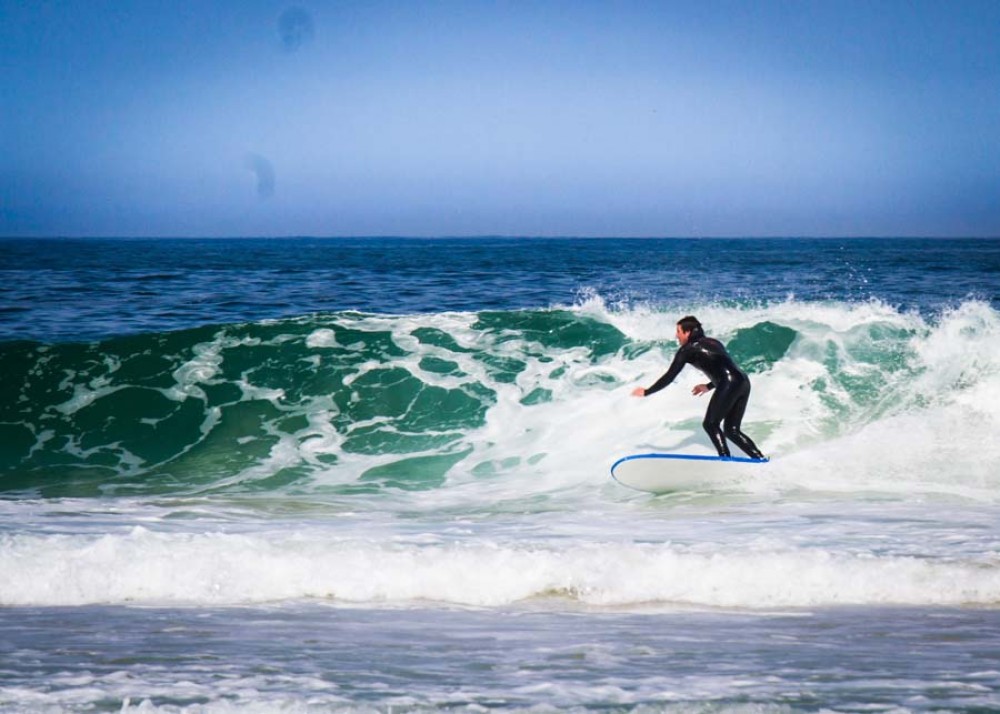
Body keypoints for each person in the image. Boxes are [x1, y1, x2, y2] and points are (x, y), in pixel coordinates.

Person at [631, 316, 766, 460]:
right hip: (743, 381)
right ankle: (759, 459)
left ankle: (725, 460)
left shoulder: (687, 349)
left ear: (687, 332)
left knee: (710, 424)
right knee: (732, 430)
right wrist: (708, 386)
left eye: (679, 331)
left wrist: (647, 391)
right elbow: (726, 369)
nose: (676, 335)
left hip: (729, 383)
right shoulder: (714, 342)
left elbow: (669, 376)